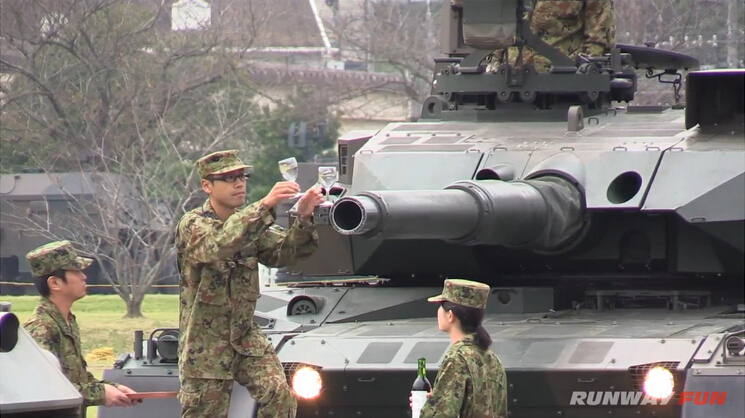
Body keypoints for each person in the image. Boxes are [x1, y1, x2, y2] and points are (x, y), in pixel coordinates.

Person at [175, 149, 324, 418]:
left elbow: (286, 252)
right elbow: (218, 244)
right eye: (229, 178)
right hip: (205, 345)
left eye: (242, 176)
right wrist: (265, 205)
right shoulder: (193, 224)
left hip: (245, 338)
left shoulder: (250, 224)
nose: (239, 183)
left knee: (280, 396)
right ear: (207, 185)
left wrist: (302, 217)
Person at [23, 240, 138, 418]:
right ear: (54, 283)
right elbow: (43, 387)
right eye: (76, 271)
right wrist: (101, 394)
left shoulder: (66, 320)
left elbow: (77, 378)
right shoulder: (40, 328)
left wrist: (110, 388)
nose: (84, 277)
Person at [411, 279, 509, 418]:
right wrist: (435, 400)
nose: (438, 311)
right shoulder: (493, 360)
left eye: (441, 306)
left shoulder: (457, 359)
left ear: (450, 315)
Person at [485, 0, 617, 72]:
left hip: (561, 80)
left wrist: (586, 71)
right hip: (509, 80)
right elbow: (498, 25)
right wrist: (493, 62)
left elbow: (598, 37)